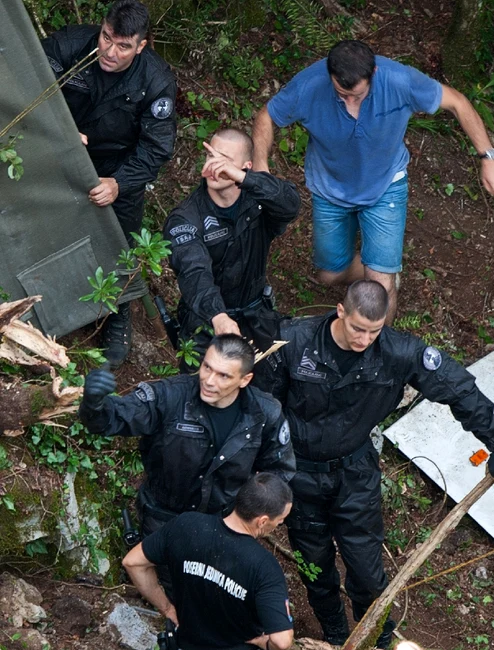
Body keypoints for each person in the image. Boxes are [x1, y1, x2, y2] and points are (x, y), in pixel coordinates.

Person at [268, 280, 494, 648]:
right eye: (357, 328)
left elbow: (459, 388)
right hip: (299, 476)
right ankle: (334, 637)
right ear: (341, 311)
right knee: (315, 566)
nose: (364, 339)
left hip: (354, 475)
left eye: (374, 330)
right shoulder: (294, 342)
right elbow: (258, 408)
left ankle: (378, 642)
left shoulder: (397, 352)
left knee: (367, 569)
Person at [252, 40, 494, 322]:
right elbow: (267, 116)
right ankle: (378, 265)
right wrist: (261, 166)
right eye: (342, 94)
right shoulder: (310, 85)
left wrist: (489, 157)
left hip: (385, 186)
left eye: (357, 95)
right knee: (330, 275)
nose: (350, 101)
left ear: (373, 73)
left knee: (380, 287)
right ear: (330, 76)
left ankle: (377, 350)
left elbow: (458, 102)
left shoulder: (399, 80)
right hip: (330, 189)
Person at [41, 0, 177, 366]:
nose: (110, 52)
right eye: (106, 38)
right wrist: (58, 133)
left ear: (141, 46)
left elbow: (155, 149)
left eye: (123, 46)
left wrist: (119, 183)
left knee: (121, 237)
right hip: (56, 152)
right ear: (100, 28)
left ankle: (118, 311)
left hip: (116, 167)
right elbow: (27, 88)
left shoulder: (155, 81)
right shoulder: (70, 45)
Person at [123, 472, 295, 650]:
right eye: (280, 521)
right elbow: (282, 641)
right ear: (262, 521)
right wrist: (265, 643)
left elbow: (133, 562)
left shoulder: (186, 525)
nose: (279, 525)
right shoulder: (264, 567)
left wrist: (167, 607)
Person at [79, 334, 295, 547]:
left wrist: (245, 518)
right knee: (164, 578)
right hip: (163, 517)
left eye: (223, 376)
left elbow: (279, 472)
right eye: (207, 367)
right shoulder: (170, 396)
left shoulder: (264, 413)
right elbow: (113, 420)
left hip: (223, 523)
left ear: (244, 379)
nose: (209, 381)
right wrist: (95, 403)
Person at [164, 128, 300, 372]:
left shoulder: (258, 202)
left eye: (224, 160)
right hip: (206, 322)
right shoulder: (185, 218)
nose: (215, 165)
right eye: (211, 156)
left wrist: (246, 179)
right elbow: (193, 271)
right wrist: (218, 317)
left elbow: (290, 204)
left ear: (245, 167)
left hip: (256, 317)